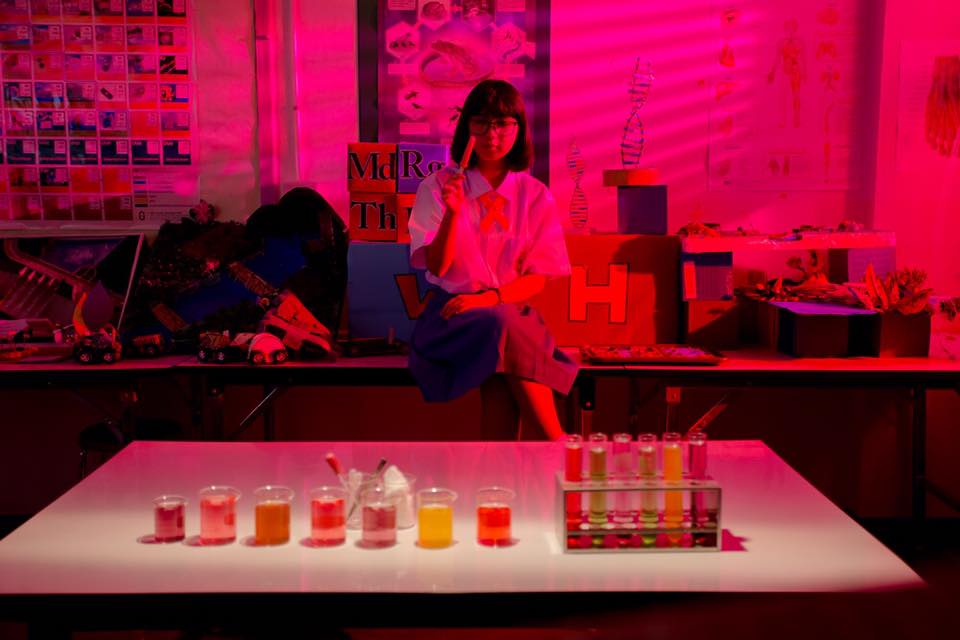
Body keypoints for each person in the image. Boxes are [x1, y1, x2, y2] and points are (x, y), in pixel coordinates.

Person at [408, 79, 576, 441]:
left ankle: (509, 463)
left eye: (502, 123)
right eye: (481, 122)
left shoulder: (534, 194)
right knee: (503, 332)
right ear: (466, 126)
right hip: (452, 314)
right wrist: (453, 212)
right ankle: (555, 441)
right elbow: (437, 267)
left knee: (502, 343)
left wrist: (490, 299)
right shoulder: (437, 186)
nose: (491, 134)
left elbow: (538, 277)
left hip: (508, 311)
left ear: (519, 128)